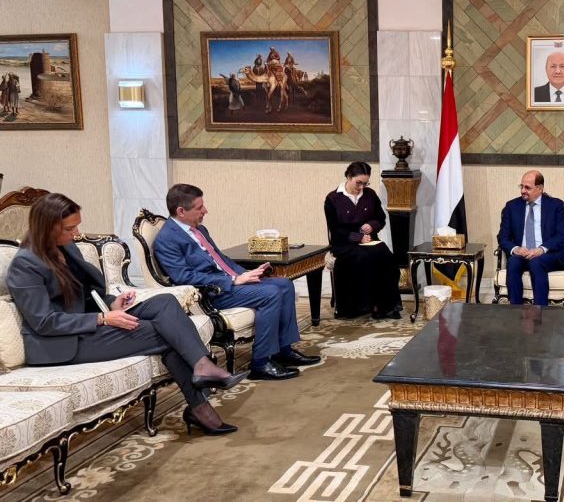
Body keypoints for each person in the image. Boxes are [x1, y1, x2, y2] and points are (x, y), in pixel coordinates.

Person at [5, 193, 247, 436]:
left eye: (77, 225)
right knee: (167, 334)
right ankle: (201, 405)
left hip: (87, 324)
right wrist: (102, 318)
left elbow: (86, 296)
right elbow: (44, 322)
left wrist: (112, 303)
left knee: (165, 302)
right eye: (70, 228)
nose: (77, 233)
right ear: (47, 227)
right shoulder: (25, 265)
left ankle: (202, 368)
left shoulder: (65, 248)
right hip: (61, 343)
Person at [154, 184, 320, 381]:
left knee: (284, 285)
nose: (205, 210)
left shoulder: (199, 229)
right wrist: (233, 280)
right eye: (199, 208)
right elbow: (184, 277)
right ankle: (261, 364)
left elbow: (220, 259)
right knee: (271, 294)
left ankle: (283, 351)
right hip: (211, 293)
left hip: (229, 283)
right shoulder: (167, 239)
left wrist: (248, 274)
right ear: (181, 211)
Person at [324, 161, 402, 320]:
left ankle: (385, 306)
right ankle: (360, 306)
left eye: (365, 183)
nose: (361, 187)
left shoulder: (370, 194)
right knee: (361, 257)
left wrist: (371, 226)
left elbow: (380, 218)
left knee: (387, 257)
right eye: (358, 183)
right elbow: (335, 229)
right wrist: (358, 237)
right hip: (344, 243)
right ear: (348, 177)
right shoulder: (333, 198)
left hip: (371, 241)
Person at [496, 170, 564, 306]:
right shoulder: (512, 206)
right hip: (522, 254)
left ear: (540, 189)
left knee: (536, 262)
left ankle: (540, 311)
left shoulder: (554, 205)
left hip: (548, 255)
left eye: (527, 188)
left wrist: (541, 249)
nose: (522, 191)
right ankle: (515, 311)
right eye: (521, 186)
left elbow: (561, 235)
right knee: (513, 262)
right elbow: (503, 237)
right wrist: (516, 249)